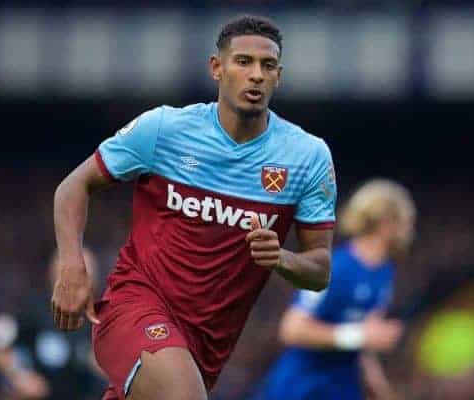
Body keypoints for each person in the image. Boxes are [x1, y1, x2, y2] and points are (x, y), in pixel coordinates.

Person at [50, 15, 338, 400]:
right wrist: (72, 265)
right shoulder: (164, 129)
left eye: (267, 66)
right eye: (243, 62)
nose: (256, 75)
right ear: (217, 68)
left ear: (278, 77)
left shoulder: (307, 156)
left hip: (206, 343)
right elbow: (74, 185)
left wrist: (282, 258)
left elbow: (319, 269)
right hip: (135, 307)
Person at [256, 179, 416, 400]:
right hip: (302, 386)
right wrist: (357, 335)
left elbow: (364, 344)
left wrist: (381, 390)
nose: (410, 230)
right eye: (406, 222)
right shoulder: (334, 268)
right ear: (387, 223)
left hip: (342, 386)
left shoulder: (385, 272)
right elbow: (292, 329)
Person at [0, 248, 105, 399]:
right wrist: (19, 375)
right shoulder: (32, 310)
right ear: (54, 274)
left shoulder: (103, 319)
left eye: (88, 272)